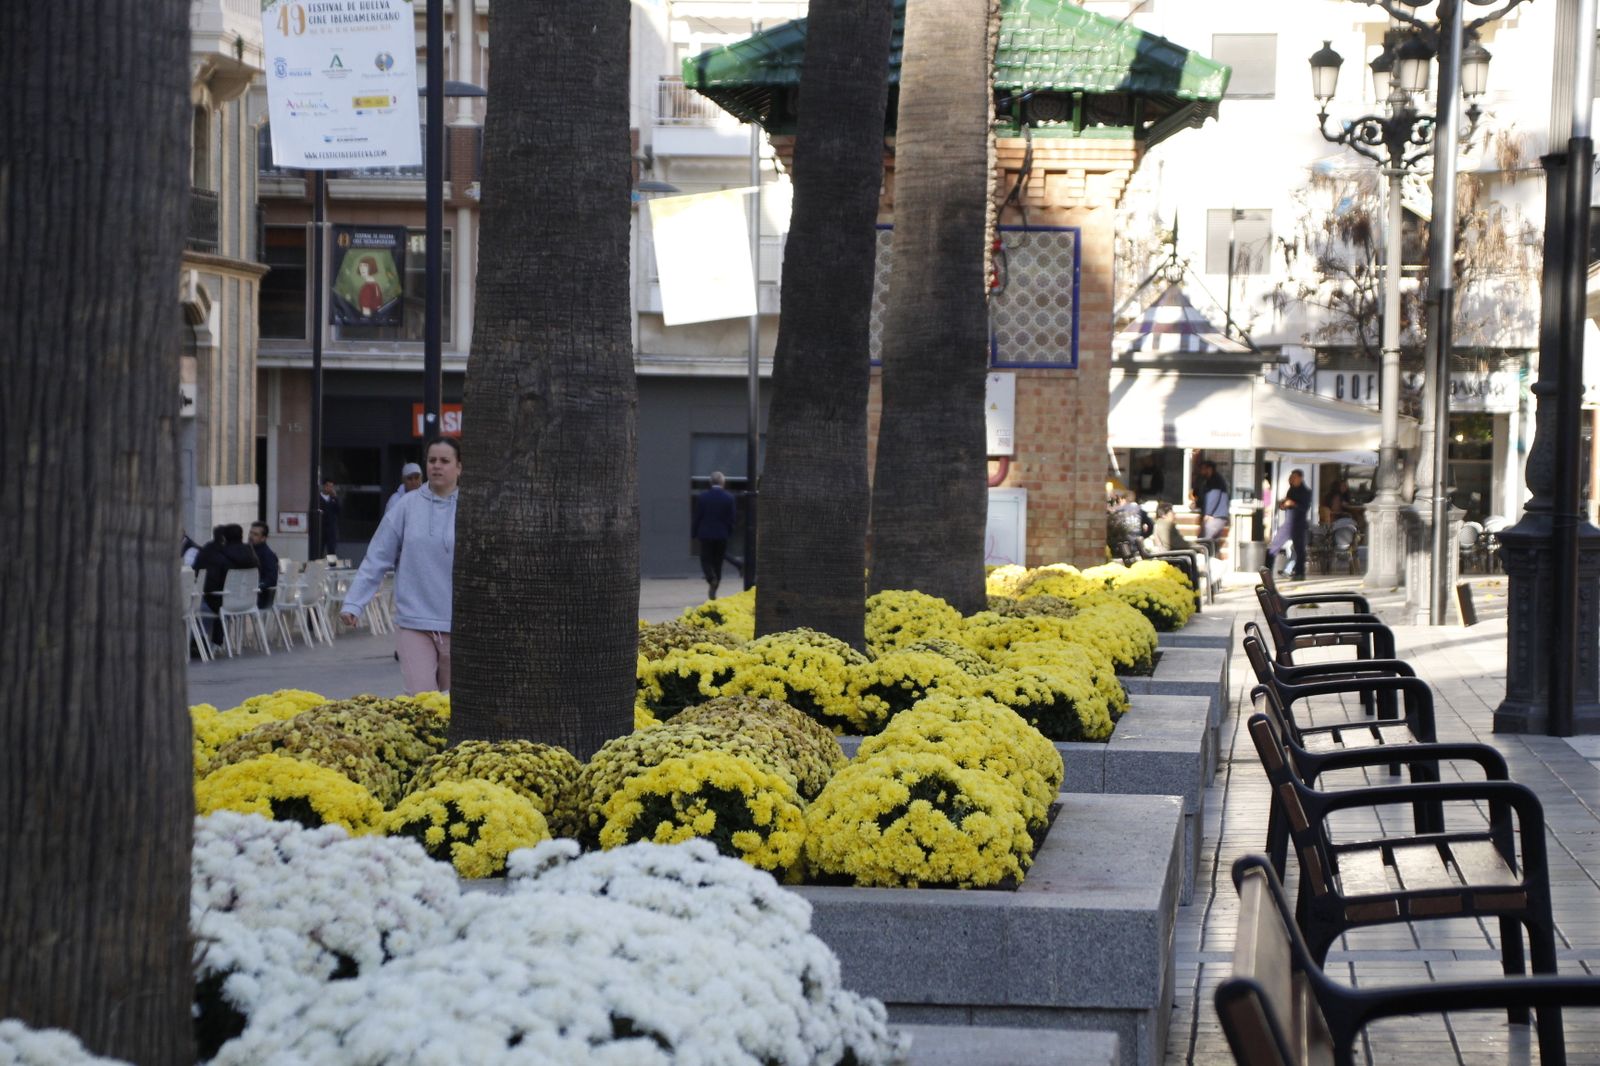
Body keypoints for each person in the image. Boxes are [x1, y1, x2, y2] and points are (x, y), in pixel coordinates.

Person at [340, 437, 461, 694]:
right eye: (432, 460)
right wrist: (354, 602)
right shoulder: (405, 506)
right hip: (413, 620)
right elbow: (377, 556)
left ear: (459, 467)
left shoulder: (471, 508)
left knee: (453, 707)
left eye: (444, 461)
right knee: (423, 700)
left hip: (458, 623)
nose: (437, 466)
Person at [192, 524, 259, 646]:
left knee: (193, 605)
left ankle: (198, 643)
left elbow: (210, 586)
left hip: (224, 603)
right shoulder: (252, 556)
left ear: (225, 538)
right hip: (247, 602)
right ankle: (211, 642)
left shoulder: (221, 556)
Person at [692, 471, 738, 599]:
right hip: (722, 535)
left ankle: (711, 578)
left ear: (710, 482)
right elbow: (732, 519)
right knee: (718, 562)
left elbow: (697, 517)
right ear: (723, 482)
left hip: (706, 534)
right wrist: (729, 532)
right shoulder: (729, 498)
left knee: (705, 559)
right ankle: (714, 590)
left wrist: (694, 532)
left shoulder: (703, 497)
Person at [1269, 468, 1314, 580]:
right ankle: (1267, 569)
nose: (1291, 480)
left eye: (1294, 478)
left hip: (1299, 523)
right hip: (1289, 522)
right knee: (1275, 544)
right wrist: (1283, 505)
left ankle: (1299, 573)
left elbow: (1304, 507)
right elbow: (1287, 503)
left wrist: (1292, 503)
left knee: (1299, 549)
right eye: (1291, 478)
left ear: (1300, 478)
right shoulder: (1291, 490)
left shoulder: (1306, 492)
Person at [1107, 491, 1151, 562]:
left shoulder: (1114, 512)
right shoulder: (1140, 511)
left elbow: (1109, 531)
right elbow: (1151, 525)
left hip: (1117, 551)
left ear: (1122, 499)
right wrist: (1143, 535)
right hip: (1136, 549)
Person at [1194, 460, 1230, 541]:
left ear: (1209, 469)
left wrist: (1207, 513)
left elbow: (1213, 498)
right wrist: (1196, 503)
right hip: (1215, 516)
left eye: (1203, 469)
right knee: (1210, 544)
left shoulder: (1215, 481)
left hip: (1215, 517)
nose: (1201, 471)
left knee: (1203, 541)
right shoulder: (1208, 480)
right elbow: (1203, 496)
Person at [248, 522, 279, 610]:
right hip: (247, 595)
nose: (251, 536)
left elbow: (271, 579)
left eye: (255, 534)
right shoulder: (247, 551)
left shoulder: (267, 555)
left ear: (263, 538)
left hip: (259, 598)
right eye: (250, 533)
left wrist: (256, 586)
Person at [318, 479, 341, 558]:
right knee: (319, 550)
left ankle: (332, 567)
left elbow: (338, 511)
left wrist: (335, 498)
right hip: (320, 529)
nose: (330, 488)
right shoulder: (318, 498)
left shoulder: (333, 499)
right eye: (328, 486)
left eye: (332, 486)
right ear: (324, 486)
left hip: (331, 530)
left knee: (331, 550)